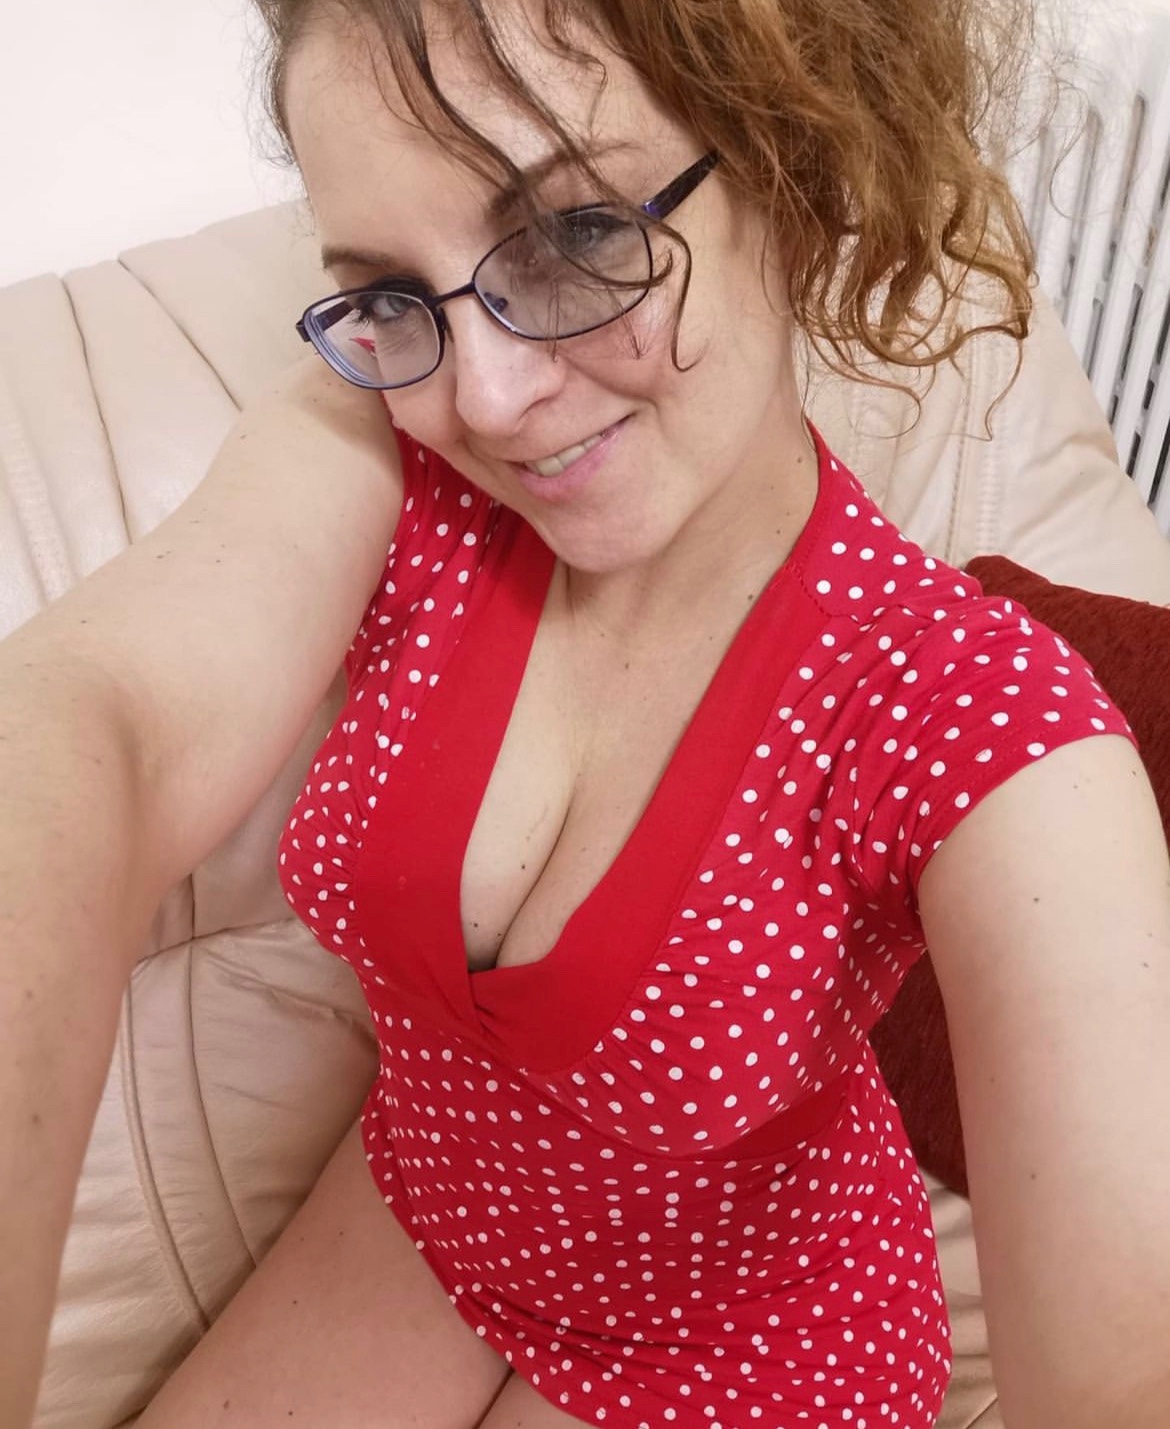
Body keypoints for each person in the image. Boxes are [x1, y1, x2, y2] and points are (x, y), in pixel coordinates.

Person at [3, 0, 1170, 1426]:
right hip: (427, 1212)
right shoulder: (387, 448)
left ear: (794, 166)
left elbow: (1121, 1371)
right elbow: (100, 726)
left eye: (577, 237)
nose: (487, 399)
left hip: (754, 1342)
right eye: (395, 292)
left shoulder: (965, 707)